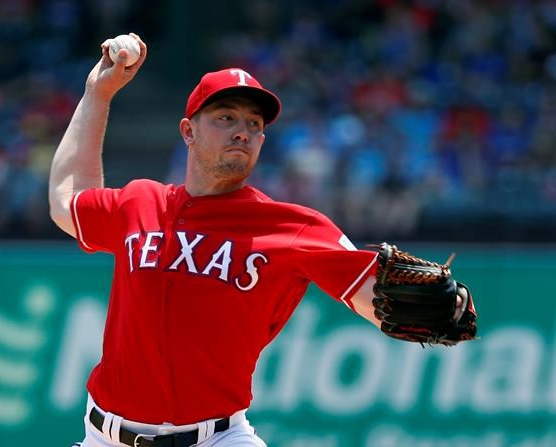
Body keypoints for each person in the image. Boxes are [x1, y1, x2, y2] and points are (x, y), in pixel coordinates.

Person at [48, 33, 471, 447]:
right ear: (188, 131)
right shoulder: (141, 202)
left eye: (254, 124)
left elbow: (374, 297)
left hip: (217, 438)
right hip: (105, 436)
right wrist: (97, 94)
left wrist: (433, 306)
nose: (242, 132)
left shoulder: (290, 227)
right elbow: (67, 199)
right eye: (225, 117)